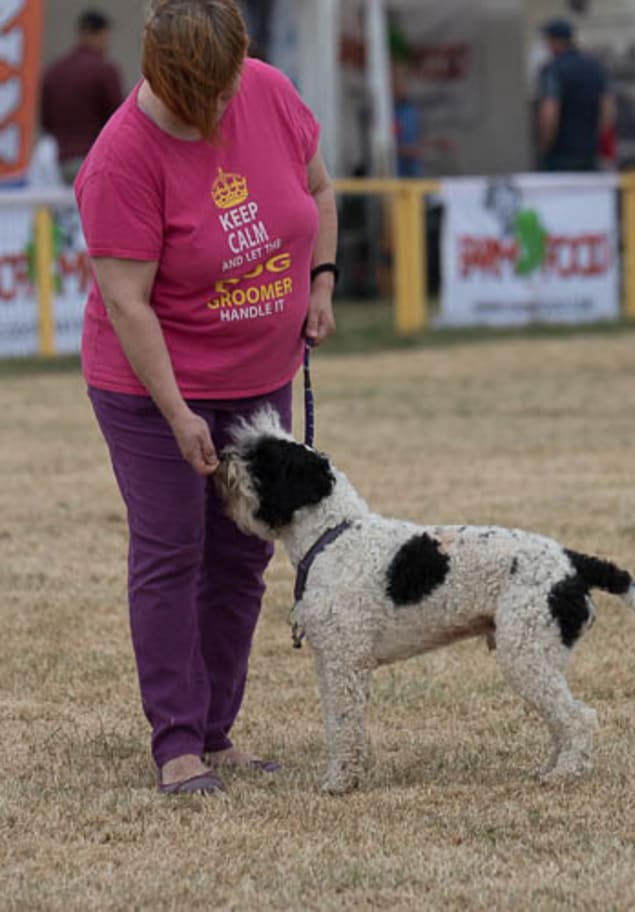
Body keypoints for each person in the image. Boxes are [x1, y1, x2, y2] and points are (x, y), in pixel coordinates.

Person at [74, 0, 337, 795]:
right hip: (154, 387)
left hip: (260, 378)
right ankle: (178, 744)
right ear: (163, 76)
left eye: (227, 89)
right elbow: (128, 304)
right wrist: (179, 412)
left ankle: (219, 730)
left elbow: (319, 194)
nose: (223, 108)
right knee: (172, 551)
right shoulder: (122, 157)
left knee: (243, 555)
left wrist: (319, 282)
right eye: (206, 97)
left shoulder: (269, 89)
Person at [40, 9, 123, 183]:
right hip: (92, 161)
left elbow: (46, 122)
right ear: (100, 34)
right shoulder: (104, 70)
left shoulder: (54, 71)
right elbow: (118, 120)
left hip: (56, 164)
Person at [536, 17, 613, 172]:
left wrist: (545, 146)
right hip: (589, 154)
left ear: (555, 42)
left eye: (548, 40)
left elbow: (550, 114)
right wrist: (592, 139)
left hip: (560, 156)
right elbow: (608, 113)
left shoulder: (553, 70)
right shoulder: (595, 67)